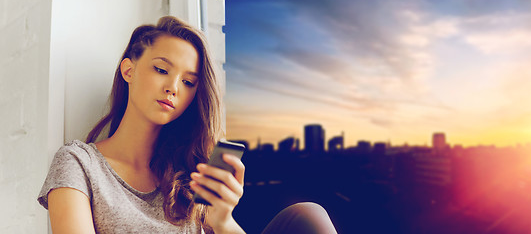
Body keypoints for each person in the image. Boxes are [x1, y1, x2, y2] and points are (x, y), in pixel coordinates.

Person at [37, 16, 337, 234]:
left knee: (307, 216)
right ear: (128, 69)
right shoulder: (79, 164)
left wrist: (222, 222)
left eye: (188, 81)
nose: (173, 87)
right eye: (161, 69)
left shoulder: (188, 174)